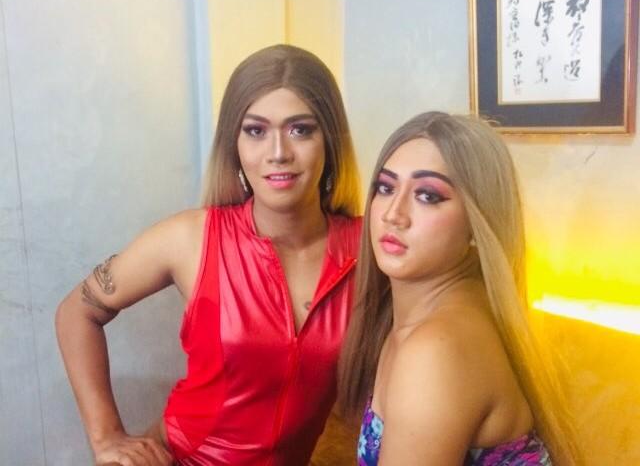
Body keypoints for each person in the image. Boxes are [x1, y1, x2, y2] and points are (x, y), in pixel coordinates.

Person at [56, 44, 362, 466]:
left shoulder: (367, 248)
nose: (278, 152)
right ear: (234, 143)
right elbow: (76, 312)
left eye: (300, 129)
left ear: (330, 138)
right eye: (255, 130)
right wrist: (106, 436)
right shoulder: (190, 238)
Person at [338, 112, 582, 465]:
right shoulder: (433, 314)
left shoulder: (438, 348)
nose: (393, 214)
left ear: (477, 223)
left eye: (427, 196)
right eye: (386, 188)